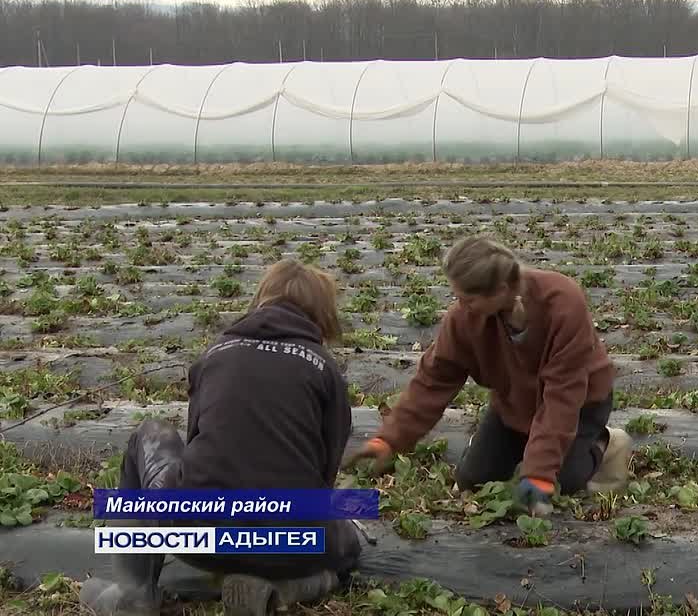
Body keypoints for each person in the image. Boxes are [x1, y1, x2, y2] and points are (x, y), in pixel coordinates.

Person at [80, 258, 361, 616]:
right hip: (294, 544)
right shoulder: (325, 368)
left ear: (261, 300)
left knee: (150, 433)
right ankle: (282, 587)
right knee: (348, 541)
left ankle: (134, 593)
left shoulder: (216, 354)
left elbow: (198, 440)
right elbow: (326, 472)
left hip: (199, 538)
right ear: (322, 313)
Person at [344, 235, 632, 515]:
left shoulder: (561, 302)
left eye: (468, 298)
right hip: (515, 402)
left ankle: (606, 445)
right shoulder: (464, 319)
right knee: (475, 479)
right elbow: (434, 378)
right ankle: (521, 447)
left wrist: (540, 473)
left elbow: (562, 394)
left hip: (581, 403)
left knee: (562, 483)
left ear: (503, 289)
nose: (461, 305)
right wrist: (390, 438)